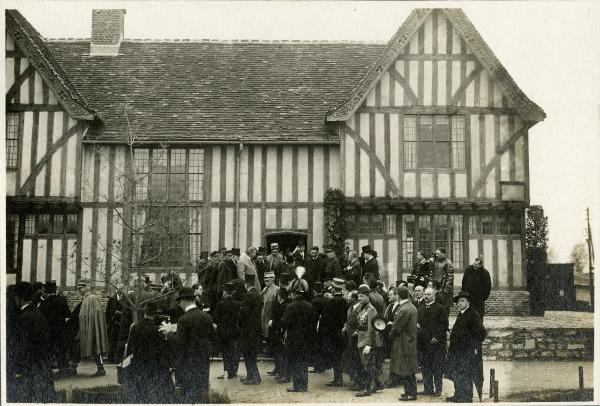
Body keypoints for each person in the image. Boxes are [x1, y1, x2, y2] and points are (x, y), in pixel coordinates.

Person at [160, 287, 214, 403]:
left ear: (184, 301)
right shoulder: (207, 317)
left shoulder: (184, 320)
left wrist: (168, 333)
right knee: (202, 394)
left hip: (187, 364)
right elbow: (212, 339)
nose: (179, 305)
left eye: (179, 302)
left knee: (188, 396)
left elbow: (179, 343)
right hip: (203, 363)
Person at [10, 281, 56, 403]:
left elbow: (23, 346)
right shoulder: (39, 314)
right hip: (43, 365)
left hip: (30, 367)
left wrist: (18, 368)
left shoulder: (25, 317)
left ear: (18, 297)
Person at [125, 301, 176, 404]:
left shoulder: (135, 327)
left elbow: (130, 348)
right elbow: (163, 351)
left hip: (138, 365)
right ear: (155, 314)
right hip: (154, 366)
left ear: (144, 313)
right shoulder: (157, 330)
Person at [446, 292, 487, 403]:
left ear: (468, 302)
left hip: (466, 351)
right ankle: (458, 394)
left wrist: (473, 346)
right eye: (458, 301)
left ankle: (466, 397)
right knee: (457, 373)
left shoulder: (473, 314)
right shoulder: (461, 314)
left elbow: (482, 333)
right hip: (456, 351)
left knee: (466, 374)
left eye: (462, 300)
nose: (460, 303)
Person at [282, 275, 318, 392]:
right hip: (307, 339)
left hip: (294, 339)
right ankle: (303, 385)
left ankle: (297, 385)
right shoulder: (310, 306)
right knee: (303, 362)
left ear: (293, 293)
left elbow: (285, 323)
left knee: (295, 362)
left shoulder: (290, 306)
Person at [417, 287, 448, 397]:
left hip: (436, 344)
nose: (426, 296)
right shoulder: (420, 308)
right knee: (425, 367)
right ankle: (428, 388)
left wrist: (437, 337)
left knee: (437, 367)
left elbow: (444, 325)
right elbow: (418, 323)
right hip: (423, 344)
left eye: (429, 294)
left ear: (434, 295)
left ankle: (438, 389)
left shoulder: (440, 308)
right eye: (425, 294)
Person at [389, 286, 419, 401]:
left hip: (404, 342)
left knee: (406, 369)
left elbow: (397, 327)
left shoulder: (403, 309)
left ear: (398, 295)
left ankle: (411, 393)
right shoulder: (411, 307)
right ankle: (409, 391)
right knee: (408, 368)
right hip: (409, 341)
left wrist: (390, 334)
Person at [75, 279, 108, 377]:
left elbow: (96, 315)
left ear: (86, 287)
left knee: (96, 348)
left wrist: (93, 328)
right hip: (87, 328)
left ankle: (101, 369)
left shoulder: (92, 298)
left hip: (93, 328)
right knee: (93, 348)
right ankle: (100, 368)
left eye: (81, 288)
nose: (79, 290)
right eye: (79, 288)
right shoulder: (86, 298)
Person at [38, 280, 71, 376]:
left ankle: (46, 372)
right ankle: (65, 371)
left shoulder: (44, 304)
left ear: (46, 290)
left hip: (49, 332)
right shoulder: (61, 301)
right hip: (60, 331)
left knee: (47, 352)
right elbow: (68, 315)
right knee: (60, 352)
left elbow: (40, 317)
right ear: (55, 289)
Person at [320, 277, 348, 387]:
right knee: (339, 356)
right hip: (341, 333)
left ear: (334, 289)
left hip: (332, 334)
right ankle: (338, 378)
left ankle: (338, 379)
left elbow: (325, 319)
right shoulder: (345, 302)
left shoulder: (331, 302)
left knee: (335, 357)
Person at [355, 284, 381, 397]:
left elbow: (371, 328)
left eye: (361, 296)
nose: (359, 298)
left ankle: (367, 388)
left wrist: (369, 344)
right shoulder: (363, 308)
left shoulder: (371, 310)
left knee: (366, 364)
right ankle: (376, 384)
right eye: (358, 296)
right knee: (368, 363)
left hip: (366, 340)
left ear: (367, 296)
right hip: (361, 337)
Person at [213, 282, 242, 379]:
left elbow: (215, 318)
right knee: (234, 351)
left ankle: (227, 372)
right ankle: (233, 371)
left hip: (224, 332)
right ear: (233, 292)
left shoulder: (220, 304)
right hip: (235, 331)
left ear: (225, 292)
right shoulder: (238, 304)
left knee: (226, 353)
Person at [239, 274, 263, 384]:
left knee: (248, 354)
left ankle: (252, 377)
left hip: (248, 329)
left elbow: (244, 313)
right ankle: (254, 376)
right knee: (252, 355)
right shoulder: (258, 294)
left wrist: (239, 323)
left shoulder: (248, 295)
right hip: (256, 327)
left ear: (246, 284)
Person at [270, 281, 291, 380]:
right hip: (282, 331)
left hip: (279, 332)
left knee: (280, 353)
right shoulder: (287, 305)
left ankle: (283, 373)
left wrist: (272, 323)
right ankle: (282, 372)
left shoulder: (282, 306)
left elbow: (279, 320)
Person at [342, 290, 362, 390]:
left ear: (354, 298)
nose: (348, 298)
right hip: (349, 337)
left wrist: (357, 331)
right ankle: (354, 380)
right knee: (351, 359)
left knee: (356, 359)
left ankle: (358, 381)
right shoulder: (350, 308)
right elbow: (348, 320)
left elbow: (361, 323)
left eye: (350, 297)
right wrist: (345, 325)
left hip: (356, 338)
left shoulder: (360, 308)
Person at [382, 287, 402, 387]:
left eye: (390, 294)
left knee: (396, 358)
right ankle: (393, 378)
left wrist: (393, 323)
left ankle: (395, 380)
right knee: (392, 358)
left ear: (396, 295)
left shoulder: (400, 307)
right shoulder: (389, 306)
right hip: (389, 336)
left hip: (397, 336)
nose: (388, 296)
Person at [431, 247, 454, 315]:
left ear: (443, 254)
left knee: (444, 308)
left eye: (438, 253)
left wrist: (446, 289)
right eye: (436, 253)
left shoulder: (448, 263)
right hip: (437, 287)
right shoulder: (437, 262)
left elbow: (450, 277)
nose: (436, 255)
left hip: (444, 288)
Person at [261, 271, 279, 355]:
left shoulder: (277, 290)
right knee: (265, 331)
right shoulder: (265, 289)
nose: (265, 282)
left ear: (272, 280)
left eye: (267, 280)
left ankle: (271, 350)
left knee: (270, 331)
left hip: (271, 313)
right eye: (264, 280)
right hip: (264, 313)